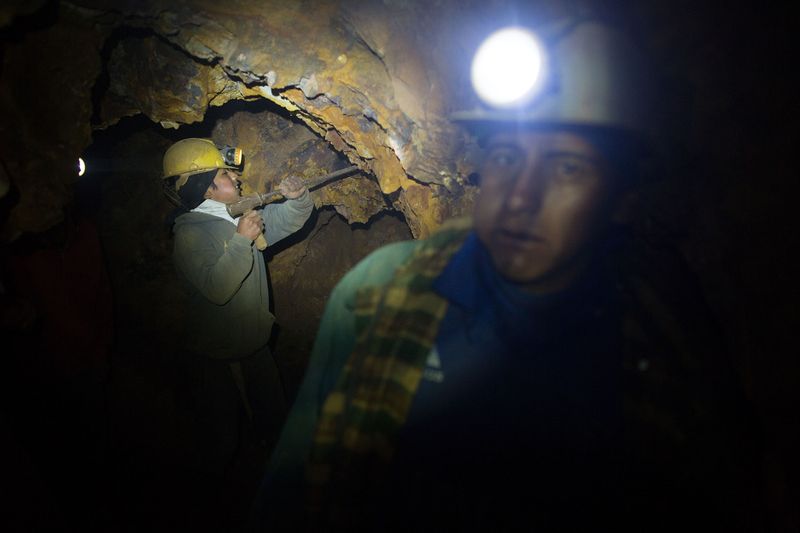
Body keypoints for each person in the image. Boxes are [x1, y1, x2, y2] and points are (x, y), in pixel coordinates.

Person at [253, 20, 758, 532]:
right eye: (505, 156)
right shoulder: (378, 292)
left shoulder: (667, 353)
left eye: (567, 169)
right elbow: (293, 490)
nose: (521, 197)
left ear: (621, 198)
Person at [162, 138, 313, 474]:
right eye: (225, 175)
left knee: (274, 423)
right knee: (221, 438)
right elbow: (217, 288)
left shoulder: (233, 216)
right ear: (207, 189)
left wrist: (297, 199)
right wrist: (242, 241)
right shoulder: (190, 236)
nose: (235, 178)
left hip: (254, 346)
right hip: (218, 357)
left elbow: (283, 221)